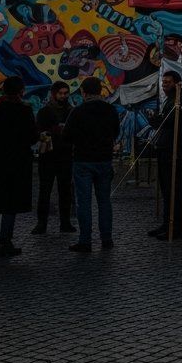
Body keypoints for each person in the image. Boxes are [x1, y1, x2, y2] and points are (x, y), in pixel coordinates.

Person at [0, 76, 38, 258]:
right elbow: (32, 136)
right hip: (17, 161)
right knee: (10, 204)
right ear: (20, 91)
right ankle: (5, 241)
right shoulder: (24, 110)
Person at [62, 76, 119, 253]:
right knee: (104, 202)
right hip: (104, 159)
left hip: (83, 160)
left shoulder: (78, 112)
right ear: (100, 90)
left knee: (83, 202)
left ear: (83, 92)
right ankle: (106, 238)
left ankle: (85, 240)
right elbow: (116, 131)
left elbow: (66, 136)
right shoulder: (110, 110)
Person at [148, 70, 182, 240]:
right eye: (163, 82)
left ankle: (176, 227)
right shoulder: (170, 99)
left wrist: (179, 148)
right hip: (164, 147)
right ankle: (167, 223)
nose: (164, 85)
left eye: (167, 82)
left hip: (173, 149)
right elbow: (164, 121)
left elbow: (179, 124)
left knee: (173, 188)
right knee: (166, 189)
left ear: (176, 83)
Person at [33, 81, 76, 234]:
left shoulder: (71, 111)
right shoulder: (45, 112)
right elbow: (39, 132)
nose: (63, 96)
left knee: (65, 192)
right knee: (45, 191)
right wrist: (54, 131)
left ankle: (65, 222)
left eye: (66, 93)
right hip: (48, 156)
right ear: (54, 94)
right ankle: (41, 223)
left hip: (65, 156)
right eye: (61, 93)